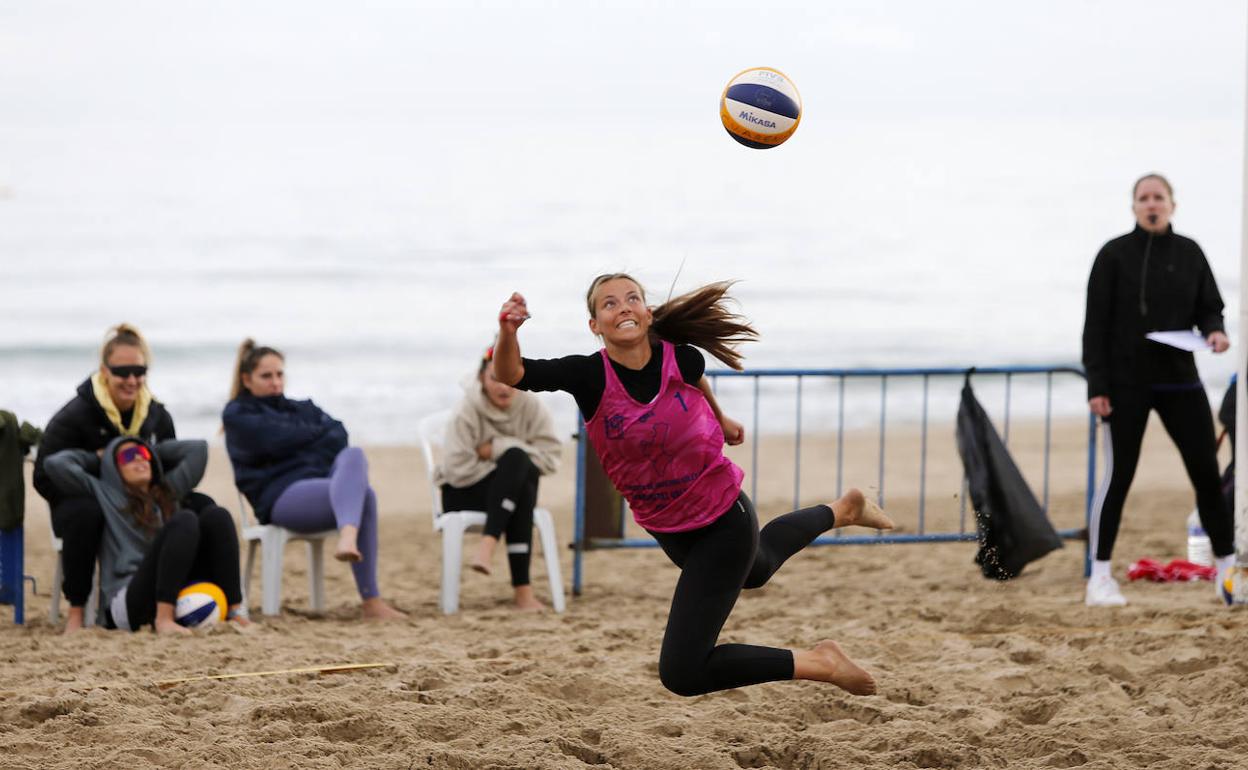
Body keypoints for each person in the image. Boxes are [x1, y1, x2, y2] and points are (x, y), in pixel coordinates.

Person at [492, 274, 895, 697]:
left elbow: (694, 381)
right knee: (757, 568)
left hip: (723, 516)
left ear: (648, 314)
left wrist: (720, 418)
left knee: (683, 671)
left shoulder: (682, 359)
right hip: (669, 528)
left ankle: (821, 662)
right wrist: (508, 330)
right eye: (609, 303)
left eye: (632, 298)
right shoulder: (588, 375)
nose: (623, 306)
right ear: (595, 325)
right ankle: (843, 509)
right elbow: (513, 373)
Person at [1082, 172, 1235, 607]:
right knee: (1118, 477)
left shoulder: (1190, 252)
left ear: (1172, 204)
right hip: (1126, 384)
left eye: (1159, 197)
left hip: (1180, 380)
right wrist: (1097, 384)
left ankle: (1227, 572)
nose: (1152, 204)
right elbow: (1094, 325)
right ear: (1134, 206)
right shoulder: (1112, 255)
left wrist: (1215, 332)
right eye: (1144, 198)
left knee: (1206, 474)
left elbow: (1210, 307)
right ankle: (1099, 578)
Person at [222, 339, 405, 620]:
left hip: (323, 488)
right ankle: (366, 587)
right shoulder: (237, 414)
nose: (276, 382)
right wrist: (311, 435)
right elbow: (271, 441)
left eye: (280, 374)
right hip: (280, 496)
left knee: (354, 456)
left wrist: (294, 437)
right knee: (364, 495)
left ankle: (362, 577)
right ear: (247, 379)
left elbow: (339, 435)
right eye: (266, 376)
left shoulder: (301, 408)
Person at [32, 323, 178, 633]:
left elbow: (169, 463)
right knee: (86, 515)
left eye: (139, 371)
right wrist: (95, 468)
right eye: (122, 372)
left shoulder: (155, 415)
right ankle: (76, 612)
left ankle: (193, 600)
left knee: (198, 507)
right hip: (84, 499)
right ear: (104, 371)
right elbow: (43, 475)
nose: (131, 380)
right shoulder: (75, 414)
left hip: (141, 498)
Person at [43, 437, 248, 634]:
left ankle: (235, 612)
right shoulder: (104, 492)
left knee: (217, 516)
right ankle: (163, 619)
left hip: (175, 588)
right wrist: (98, 456)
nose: (139, 459)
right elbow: (55, 464)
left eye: (142, 454)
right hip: (128, 598)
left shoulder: (168, 491)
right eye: (128, 456)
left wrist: (151, 450)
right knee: (185, 520)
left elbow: (198, 449)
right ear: (112, 468)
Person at [435, 344, 562, 610]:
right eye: (495, 378)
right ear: (482, 377)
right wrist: (506, 472)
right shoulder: (466, 409)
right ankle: (523, 592)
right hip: (462, 492)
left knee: (518, 466)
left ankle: (488, 544)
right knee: (520, 474)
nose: (503, 387)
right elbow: (456, 470)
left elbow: (551, 459)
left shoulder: (531, 406)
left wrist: (497, 449)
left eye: (508, 379)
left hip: (508, 497)